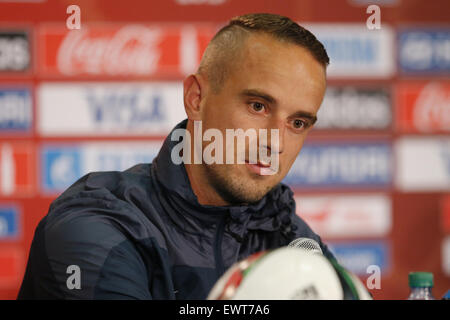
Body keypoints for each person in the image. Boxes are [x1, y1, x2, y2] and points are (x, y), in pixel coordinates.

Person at [18, 13, 333, 300]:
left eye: (297, 123)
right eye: (257, 106)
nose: (275, 143)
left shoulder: (294, 239)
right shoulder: (97, 225)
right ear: (196, 98)